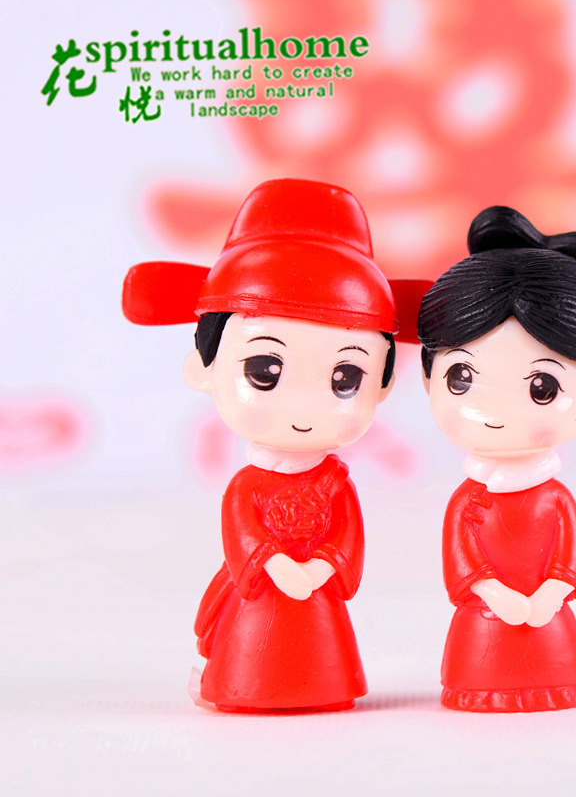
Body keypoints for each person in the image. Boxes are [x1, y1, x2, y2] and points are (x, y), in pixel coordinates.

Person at [123, 179, 426, 712]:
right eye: (265, 369)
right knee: (253, 648)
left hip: (316, 593)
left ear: (382, 386)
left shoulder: (336, 484)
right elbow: (243, 535)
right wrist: (276, 566)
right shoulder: (248, 486)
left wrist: (323, 568)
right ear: (204, 368)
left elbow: (347, 537)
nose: (304, 407)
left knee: (318, 653)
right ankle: (244, 682)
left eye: (345, 377)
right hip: (264, 590)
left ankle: (320, 685)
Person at [417, 205, 576, 712]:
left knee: (555, 669)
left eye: (542, 387)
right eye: (462, 378)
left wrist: (550, 594)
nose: (495, 412)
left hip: (548, 623)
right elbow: (461, 562)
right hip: (484, 626)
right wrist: (495, 594)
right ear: (428, 382)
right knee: (480, 670)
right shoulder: (468, 500)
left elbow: (569, 558)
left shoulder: (554, 499)